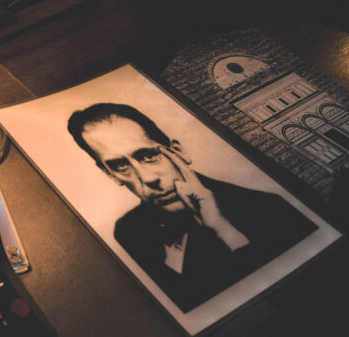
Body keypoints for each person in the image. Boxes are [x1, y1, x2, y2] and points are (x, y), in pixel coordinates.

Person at [67, 103, 316, 312]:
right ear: (109, 174)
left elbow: (293, 298)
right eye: (120, 165)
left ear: (178, 151)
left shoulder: (269, 209)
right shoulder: (129, 230)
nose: (146, 178)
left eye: (147, 155)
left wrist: (221, 228)